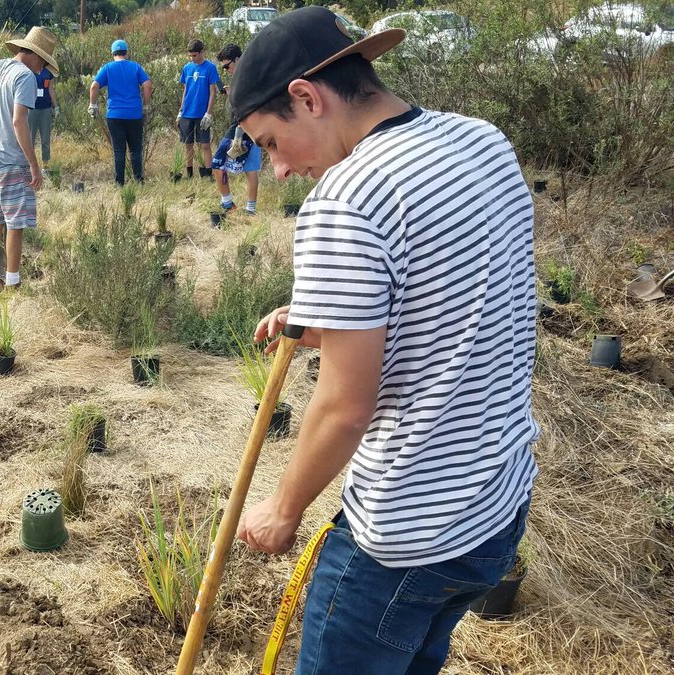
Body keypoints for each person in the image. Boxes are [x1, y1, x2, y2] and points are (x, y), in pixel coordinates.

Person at [230, 8, 538, 674]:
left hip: (407, 537)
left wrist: (283, 508)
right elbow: (465, 292)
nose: (277, 170)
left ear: (307, 98)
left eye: (271, 143)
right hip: (493, 509)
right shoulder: (480, 139)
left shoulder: (347, 196)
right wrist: (331, 317)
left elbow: (345, 408)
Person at [0, 26, 59, 291]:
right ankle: (12, 282)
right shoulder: (25, 77)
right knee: (16, 223)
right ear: (38, 56)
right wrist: (34, 163)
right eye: (43, 63)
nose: (42, 68)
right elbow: (19, 121)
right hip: (11, 160)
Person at [88, 39, 153, 186]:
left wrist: (93, 105)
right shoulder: (135, 67)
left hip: (115, 115)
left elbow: (94, 86)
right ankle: (138, 181)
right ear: (127, 53)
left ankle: (119, 183)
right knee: (136, 149)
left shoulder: (108, 68)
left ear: (113, 54)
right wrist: (146, 105)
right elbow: (147, 84)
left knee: (119, 150)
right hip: (134, 114)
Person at [211, 44, 261, 215]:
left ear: (237, 59)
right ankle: (250, 210)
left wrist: (241, 126)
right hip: (250, 128)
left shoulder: (245, 77)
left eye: (227, 66)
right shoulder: (247, 74)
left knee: (217, 164)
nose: (226, 70)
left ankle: (227, 204)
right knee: (250, 168)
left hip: (239, 128)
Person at [177, 39, 220, 179]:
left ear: (202, 52)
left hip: (201, 114)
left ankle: (209, 174)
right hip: (187, 113)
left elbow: (213, 91)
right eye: (190, 56)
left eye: (195, 55)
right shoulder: (187, 68)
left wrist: (208, 113)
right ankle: (189, 174)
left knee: (205, 145)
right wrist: (180, 110)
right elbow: (185, 91)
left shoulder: (210, 68)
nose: (192, 58)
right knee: (188, 144)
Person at [28, 63, 57, 176]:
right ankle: (29, 165)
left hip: (46, 108)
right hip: (32, 108)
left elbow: (51, 89)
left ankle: (45, 165)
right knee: (30, 138)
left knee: (45, 138)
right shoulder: (29, 71)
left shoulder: (48, 73)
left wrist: (56, 106)